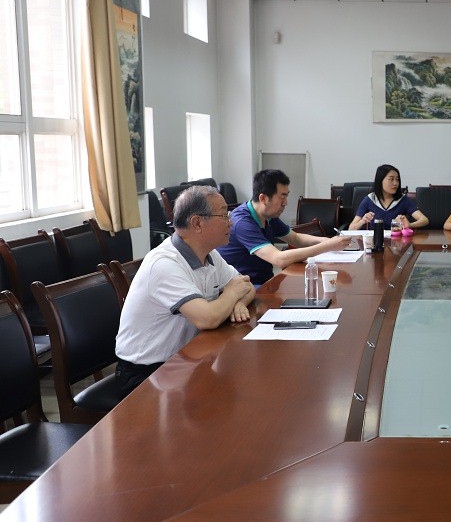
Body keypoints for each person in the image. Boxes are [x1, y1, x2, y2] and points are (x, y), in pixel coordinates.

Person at [114, 185, 256, 398]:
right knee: (231, 396)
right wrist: (231, 294)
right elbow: (207, 319)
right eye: (223, 215)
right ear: (197, 223)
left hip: (186, 360)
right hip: (147, 373)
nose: (231, 221)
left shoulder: (209, 254)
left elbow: (247, 286)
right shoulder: (164, 264)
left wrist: (238, 302)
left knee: (241, 384)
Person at [218, 169, 350, 286]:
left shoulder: (269, 216)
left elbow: (295, 238)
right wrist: (328, 246)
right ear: (263, 198)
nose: (285, 203)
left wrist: (328, 241)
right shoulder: (242, 223)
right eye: (282, 197)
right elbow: (279, 259)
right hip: (245, 287)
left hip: (264, 281)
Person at [349, 164, 429, 230]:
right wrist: (362, 221)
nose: (395, 183)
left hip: (397, 242)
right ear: (380, 180)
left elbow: (424, 220)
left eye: (397, 179)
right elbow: (351, 228)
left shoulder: (403, 199)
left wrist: (409, 225)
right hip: (375, 241)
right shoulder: (370, 199)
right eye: (391, 179)